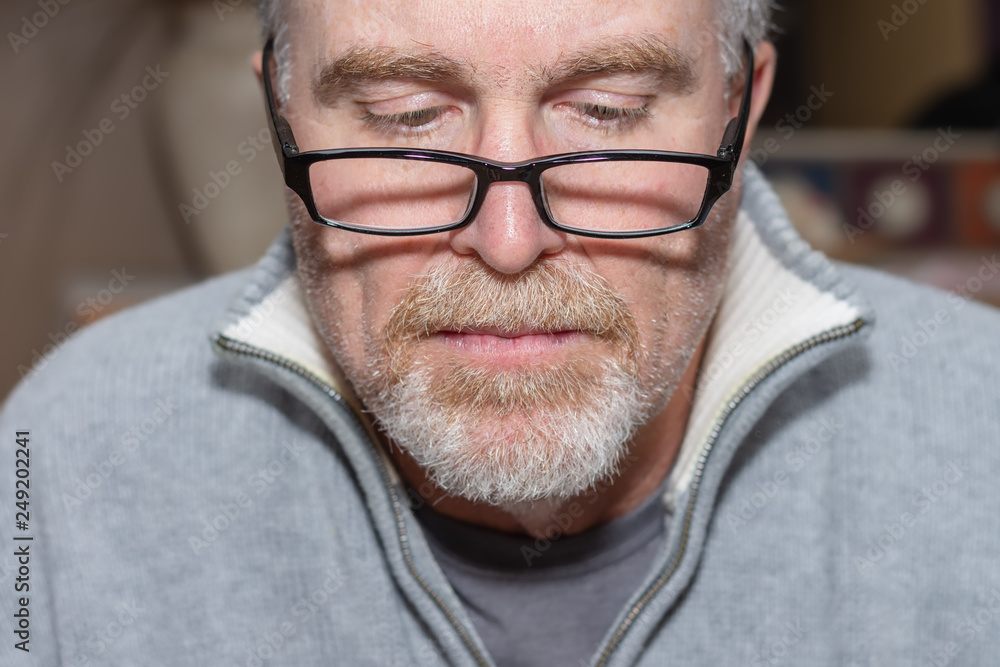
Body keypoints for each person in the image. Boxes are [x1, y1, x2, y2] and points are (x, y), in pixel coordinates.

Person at [3, 0, 1000, 665]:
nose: (510, 241)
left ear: (739, 112)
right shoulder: (70, 461)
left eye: (607, 113)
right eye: (402, 118)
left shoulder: (978, 447)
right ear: (278, 113)